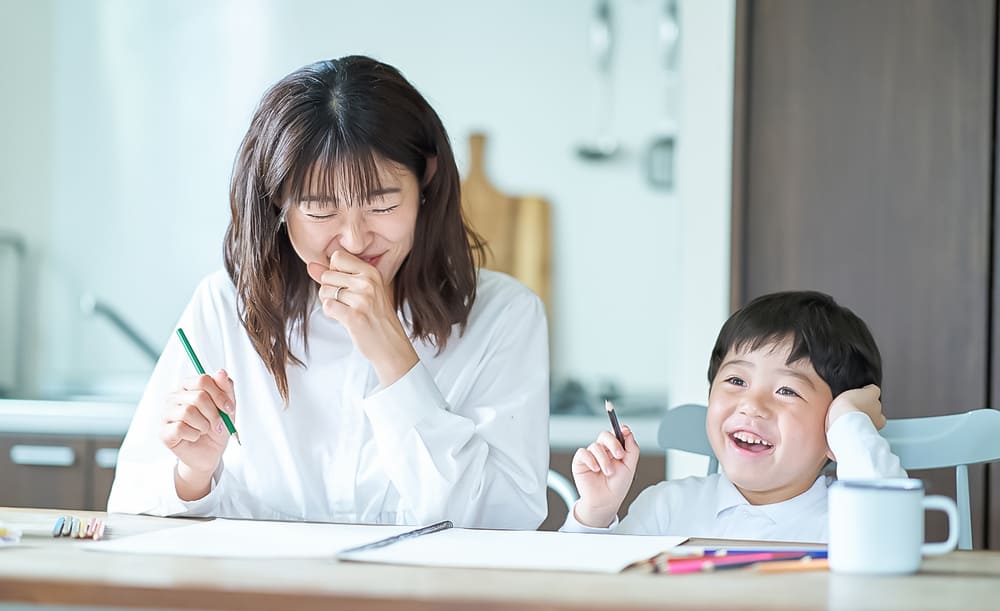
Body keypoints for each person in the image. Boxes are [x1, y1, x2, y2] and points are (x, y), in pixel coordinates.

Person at [107, 56, 549, 529]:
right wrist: (192, 473)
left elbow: (506, 525)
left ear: (426, 179)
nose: (356, 241)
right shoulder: (225, 306)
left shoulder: (504, 316)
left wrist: (393, 357)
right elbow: (131, 514)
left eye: (382, 203)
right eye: (320, 211)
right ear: (279, 201)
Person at [562, 291, 906, 541]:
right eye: (736, 381)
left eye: (787, 390)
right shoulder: (667, 508)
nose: (751, 405)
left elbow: (892, 543)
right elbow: (581, 598)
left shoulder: (848, 520)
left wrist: (849, 421)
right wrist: (596, 512)